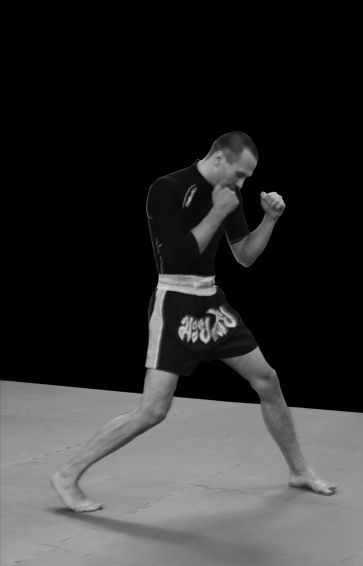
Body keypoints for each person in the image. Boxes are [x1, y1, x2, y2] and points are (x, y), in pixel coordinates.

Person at [51, 131, 337, 512]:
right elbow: (177, 258)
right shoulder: (166, 188)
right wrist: (216, 211)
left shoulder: (230, 194)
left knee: (267, 379)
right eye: (239, 174)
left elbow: (245, 256)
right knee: (153, 410)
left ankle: (299, 470)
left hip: (210, 303)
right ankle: (68, 474)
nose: (241, 184)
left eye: (246, 178)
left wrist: (270, 220)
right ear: (218, 158)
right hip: (175, 302)